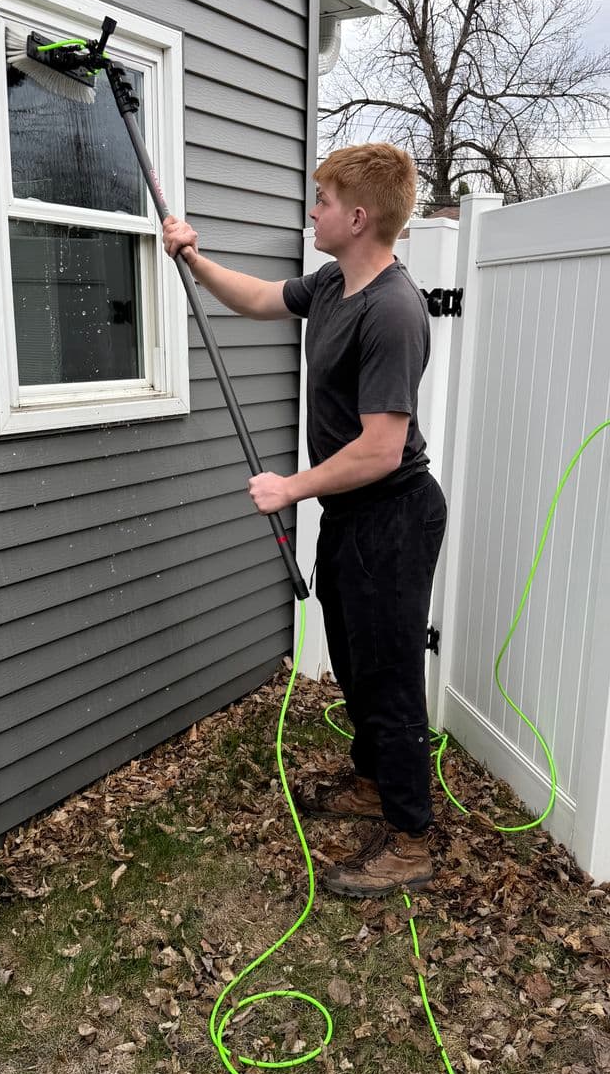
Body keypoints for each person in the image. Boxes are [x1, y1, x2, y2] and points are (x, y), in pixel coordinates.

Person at [162, 143, 447, 897]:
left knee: (388, 675)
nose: (311, 211)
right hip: (351, 514)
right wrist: (195, 259)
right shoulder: (332, 284)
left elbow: (382, 449)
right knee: (354, 660)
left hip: (394, 515)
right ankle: (370, 780)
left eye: (322, 200)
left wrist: (290, 487)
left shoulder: (393, 310)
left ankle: (412, 836)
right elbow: (257, 297)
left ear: (359, 217)